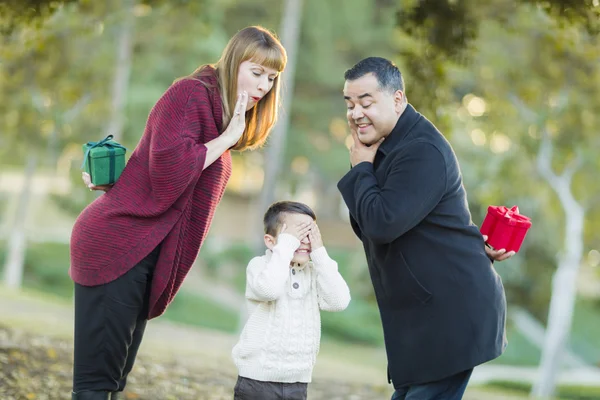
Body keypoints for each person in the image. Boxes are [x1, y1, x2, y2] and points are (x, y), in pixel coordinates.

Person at [69, 26, 287, 400]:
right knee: (95, 385)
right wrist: (226, 139)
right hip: (116, 246)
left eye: (271, 77)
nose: (264, 85)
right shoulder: (190, 95)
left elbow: (156, 170)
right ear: (234, 63)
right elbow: (170, 170)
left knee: (114, 381)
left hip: (143, 254)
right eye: (257, 73)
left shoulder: (219, 119)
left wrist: (227, 136)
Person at [336, 57, 514, 400]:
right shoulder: (388, 148)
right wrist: (365, 170)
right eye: (350, 103)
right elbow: (370, 225)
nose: (356, 113)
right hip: (425, 320)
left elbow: (381, 224)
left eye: (366, 102)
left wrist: (360, 170)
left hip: (449, 316)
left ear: (398, 99)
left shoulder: (421, 150)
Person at [231, 201, 351, 400]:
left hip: (298, 382)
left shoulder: (314, 273)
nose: (303, 241)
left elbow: (339, 301)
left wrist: (319, 253)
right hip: (257, 381)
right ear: (271, 241)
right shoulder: (260, 265)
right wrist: (286, 246)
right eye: (295, 235)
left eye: (309, 233)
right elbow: (268, 289)